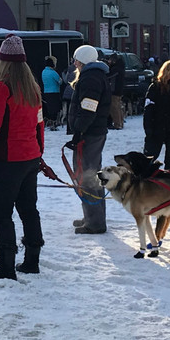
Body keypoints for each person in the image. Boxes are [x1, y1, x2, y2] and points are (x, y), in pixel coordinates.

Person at [0, 34, 45, 281]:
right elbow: (39, 125)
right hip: (30, 157)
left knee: (0, 212)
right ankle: (32, 261)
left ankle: (6, 266)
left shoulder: (1, 87)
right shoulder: (33, 88)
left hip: (8, 159)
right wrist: (40, 152)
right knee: (29, 209)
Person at [67, 45, 111, 235]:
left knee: (87, 175)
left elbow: (88, 108)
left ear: (81, 61)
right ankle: (93, 216)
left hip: (89, 134)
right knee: (91, 173)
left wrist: (79, 132)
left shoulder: (90, 78)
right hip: (94, 132)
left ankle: (95, 223)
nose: (74, 63)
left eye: (76, 60)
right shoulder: (95, 76)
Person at [41, 56, 63, 130]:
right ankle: (54, 123)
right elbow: (60, 81)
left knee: (49, 108)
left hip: (46, 92)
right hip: (54, 92)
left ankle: (49, 121)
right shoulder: (53, 72)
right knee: (55, 108)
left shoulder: (43, 72)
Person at [107, 53, 125, 129]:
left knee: (114, 108)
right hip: (119, 90)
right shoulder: (121, 67)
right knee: (118, 107)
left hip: (114, 90)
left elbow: (109, 75)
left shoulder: (115, 69)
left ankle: (117, 124)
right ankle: (120, 122)